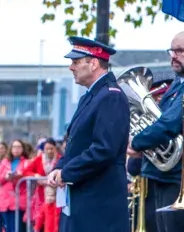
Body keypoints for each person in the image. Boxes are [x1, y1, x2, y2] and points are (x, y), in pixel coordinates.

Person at [127, 30, 184, 232]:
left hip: (182, 177)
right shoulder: (181, 82)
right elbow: (161, 119)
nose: (173, 56)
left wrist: (137, 143)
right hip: (168, 175)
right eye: (171, 51)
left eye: (179, 51)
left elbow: (170, 123)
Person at [47, 37, 130, 232]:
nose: (71, 67)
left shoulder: (110, 96)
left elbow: (104, 149)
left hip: (99, 203)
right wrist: (59, 167)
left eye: (76, 62)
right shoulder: (93, 96)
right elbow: (76, 144)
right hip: (86, 199)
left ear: (93, 63)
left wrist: (66, 172)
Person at [22, 138, 61, 232]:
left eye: (51, 148)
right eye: (47, 148)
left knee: (54, 220)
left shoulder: (60, 159)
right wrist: (35, 175)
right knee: (39, 219)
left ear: (55, 148)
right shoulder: (39, 159)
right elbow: (26, 171)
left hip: (56, 195)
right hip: (40, 196)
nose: (49, 151)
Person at [0, 140, 30, 232]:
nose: (16, 149)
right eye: (14, 147)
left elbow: (29, 175)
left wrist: (20, 175)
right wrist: (5, 177)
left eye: (19, 147)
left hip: (20, 201)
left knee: (18, 228)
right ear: (11, 149)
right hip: (5, 201)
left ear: (23, 149)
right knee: (7, 227)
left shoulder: (27, 162)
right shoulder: (4, 162)